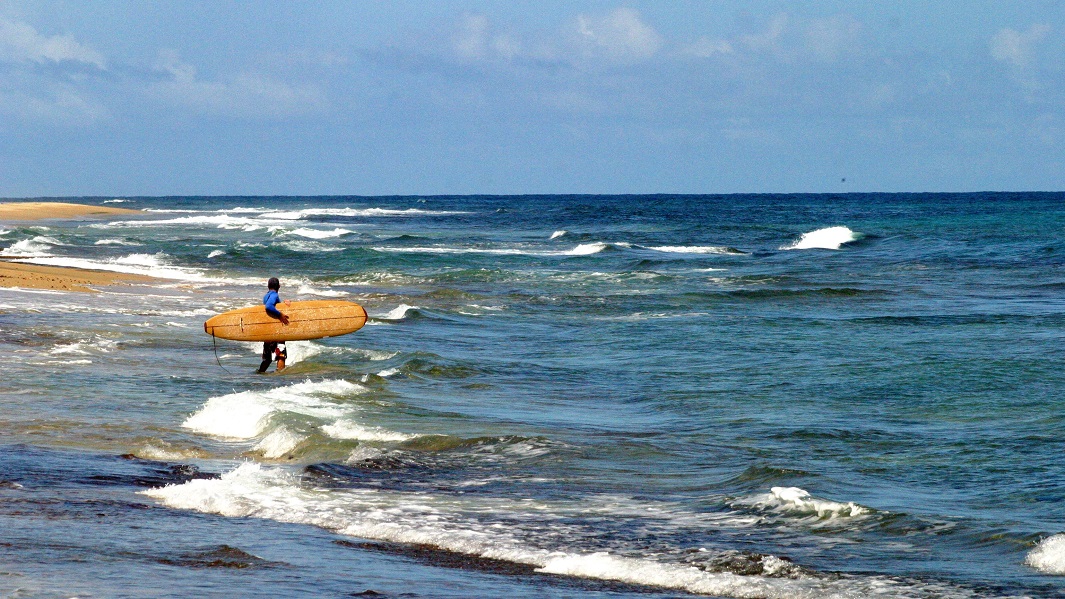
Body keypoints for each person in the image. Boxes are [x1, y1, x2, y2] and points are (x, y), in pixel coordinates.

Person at [258, 277, 290, 373]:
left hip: (268, 330)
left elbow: (271, 307)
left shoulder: (266, 296)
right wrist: (280, 315)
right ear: (279, 286)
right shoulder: (274, 295)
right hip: (276, 331)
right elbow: (269, 306)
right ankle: (280, 377)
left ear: (268, 286)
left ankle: (259, 374)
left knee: (267, 359)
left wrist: (283, 304)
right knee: (281, 355)